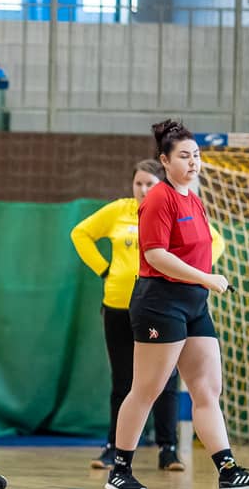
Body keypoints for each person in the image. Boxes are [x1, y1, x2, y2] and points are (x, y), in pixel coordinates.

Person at [106, 120, 249, 489]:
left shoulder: (193, 200)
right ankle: (120, 470)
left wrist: (204, 282)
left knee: (207, 389)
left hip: (194, 305)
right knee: (146, 389)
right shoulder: (158, 199)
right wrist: (206, 277)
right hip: (159, 303)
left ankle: (228, 472)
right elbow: (155, 255)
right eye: (184, 156)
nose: (193, 162)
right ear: (165, 161)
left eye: (196, 155)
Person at [71, 160, 226, 472]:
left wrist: (194, 272)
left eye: (149, 184)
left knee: (166, 382)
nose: (143, 189)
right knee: (124, 381)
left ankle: (168, 449)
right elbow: (81, 233)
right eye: (138, 183)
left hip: (163, 306)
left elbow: (215, 241)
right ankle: (114, 449)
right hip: (119, 305)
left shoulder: (171, 208)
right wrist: (104, 269)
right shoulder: (119, 211)